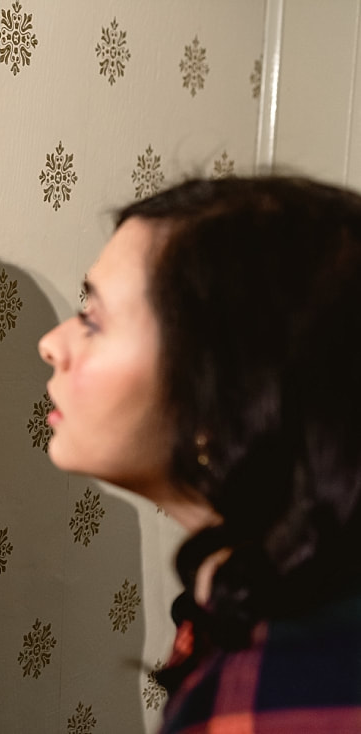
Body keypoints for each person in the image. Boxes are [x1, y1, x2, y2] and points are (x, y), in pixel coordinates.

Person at [38, 175, 361, 733]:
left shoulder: (280, 699)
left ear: (228, 398)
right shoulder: (254, 611)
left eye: (94, 320)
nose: (52, 344)